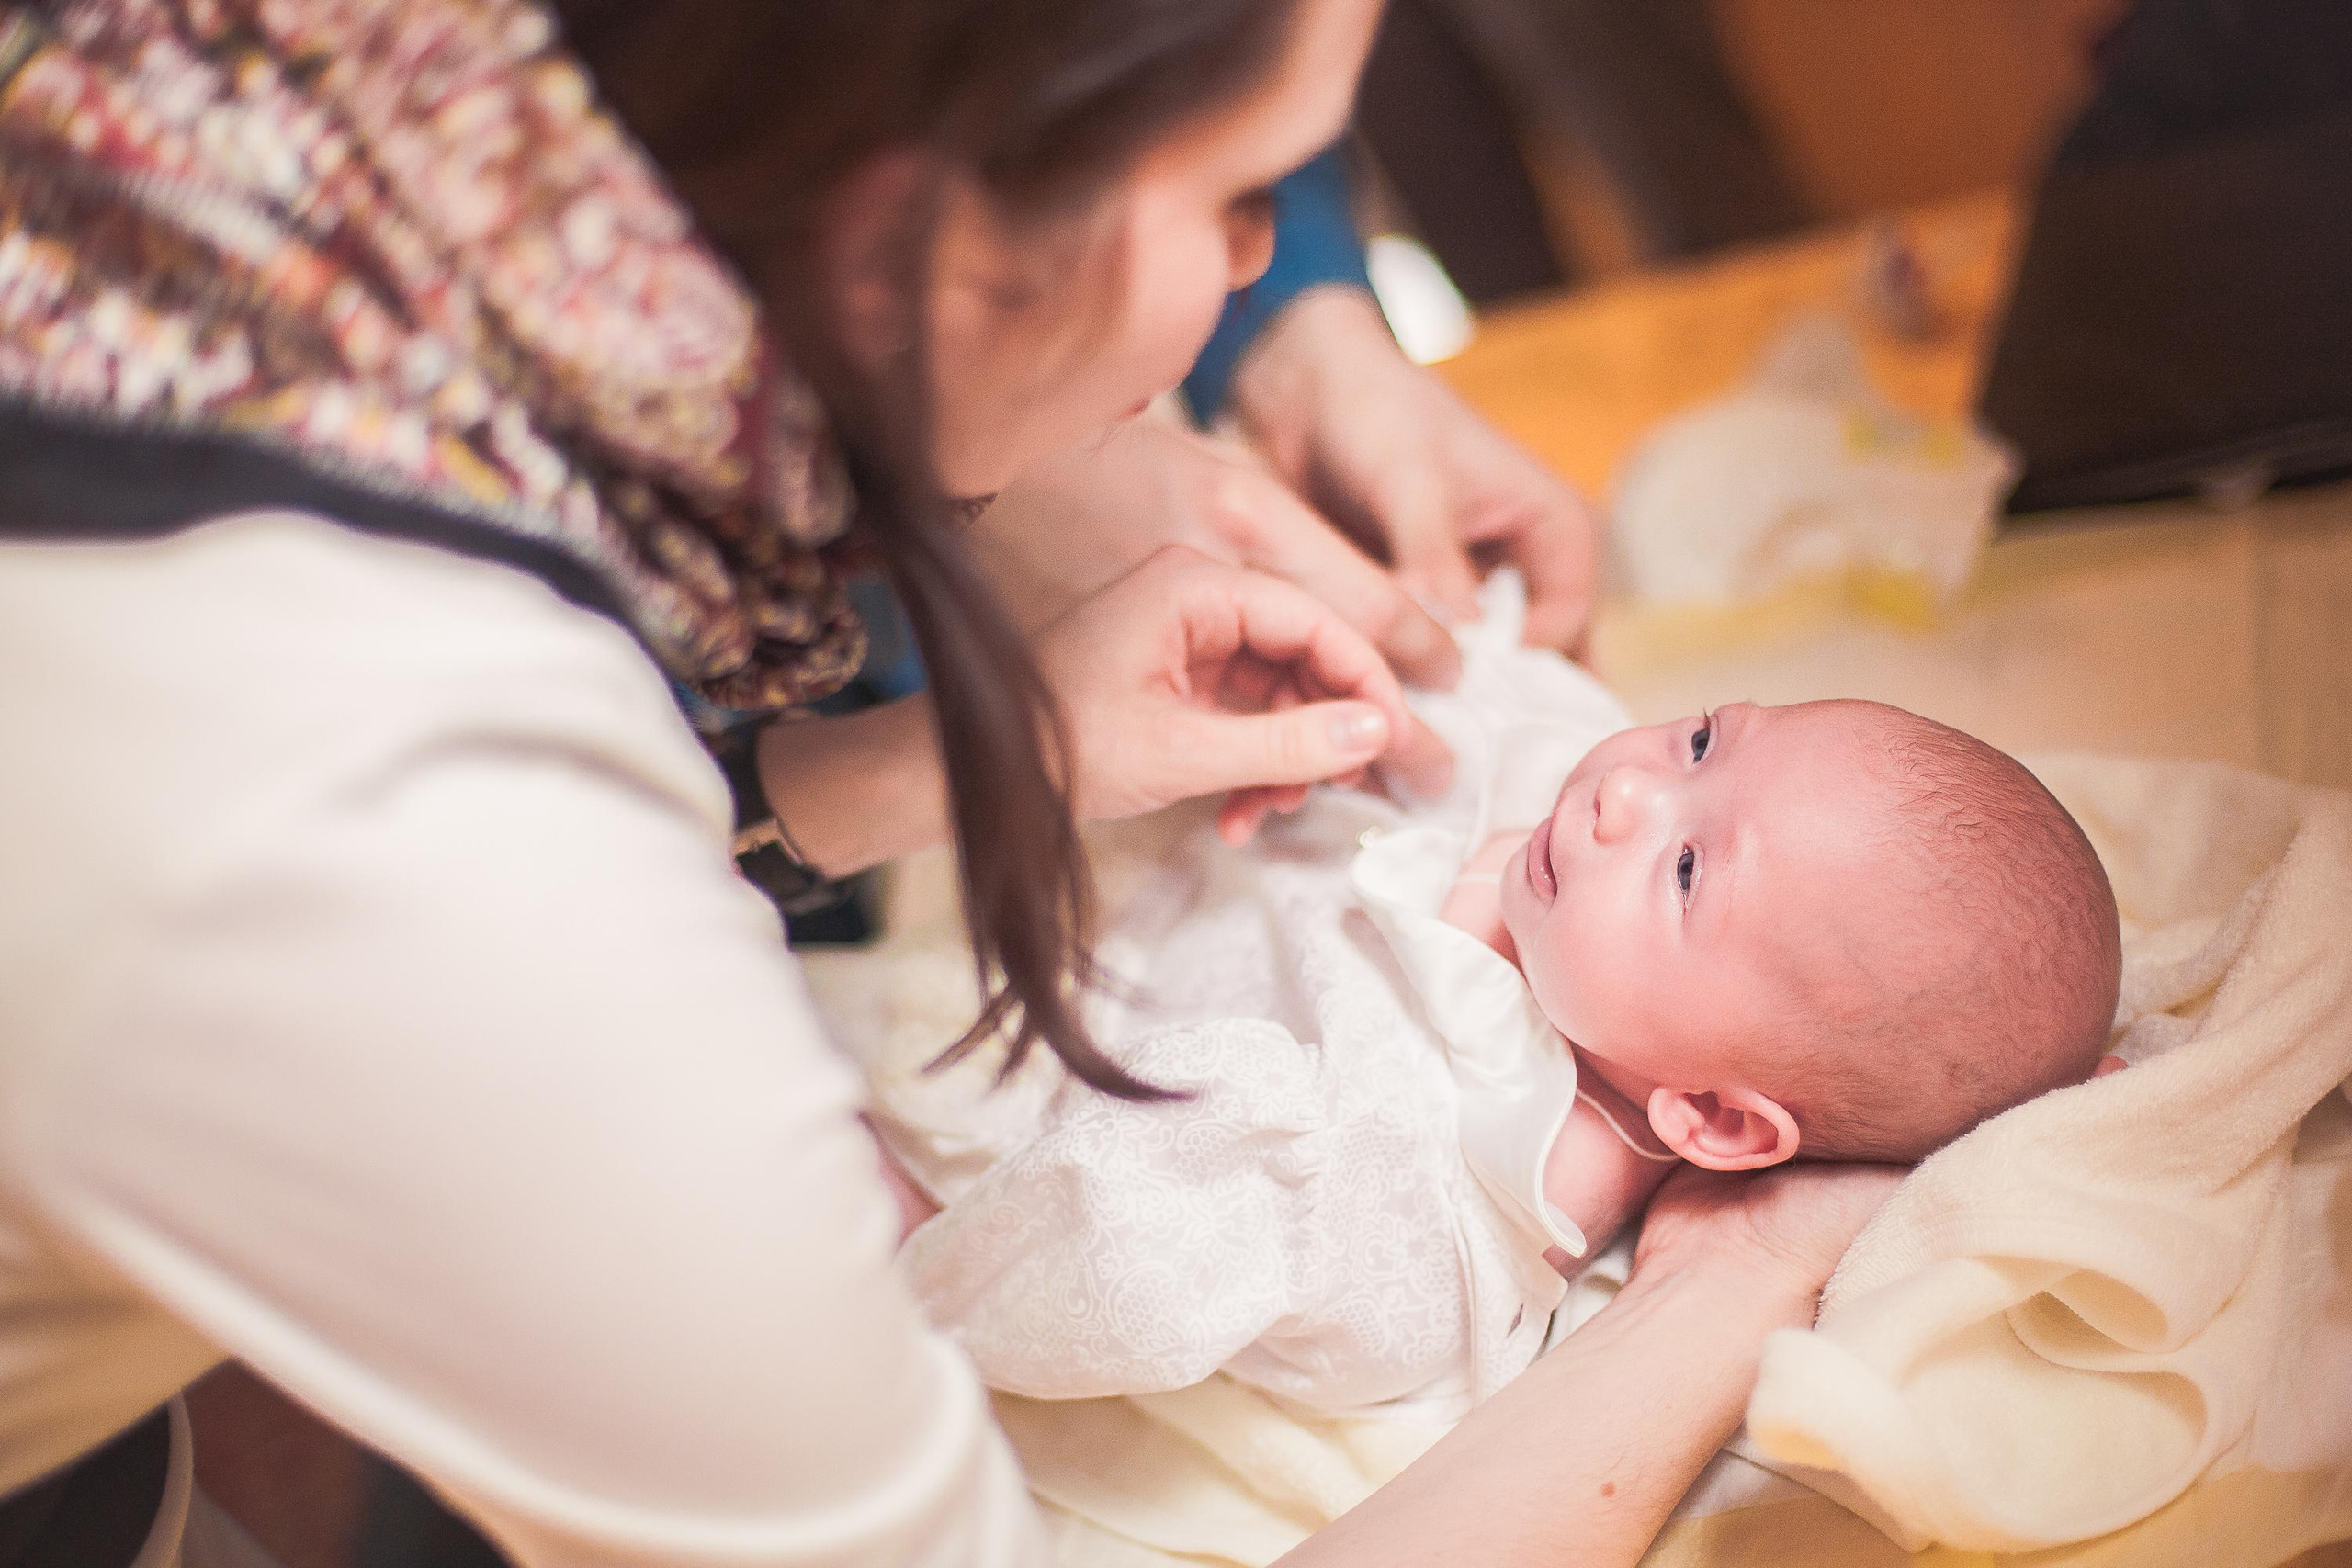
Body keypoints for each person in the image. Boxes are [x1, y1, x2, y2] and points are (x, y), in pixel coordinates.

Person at [0, 3, 1895, 1565]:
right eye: (1245, 205)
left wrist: (875, 765)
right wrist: (1726, 1296)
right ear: (927, 241)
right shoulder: (408, 840)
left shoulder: (299, 164)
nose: (1256, 283)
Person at [880, 600, 2121, 1416]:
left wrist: (939, 1237)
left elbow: (1110, 1267)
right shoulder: (1560, 803)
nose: (1628, 794)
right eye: (1702, 740)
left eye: (1688, 872)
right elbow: (1480, 690)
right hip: (1083, 847)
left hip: (989, 1080)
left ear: (1716, 1122)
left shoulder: (1428, 1203)